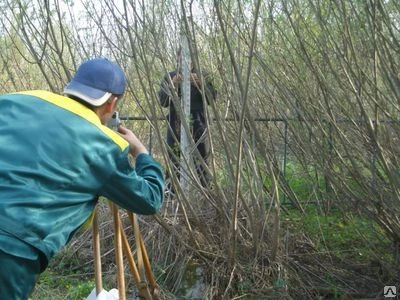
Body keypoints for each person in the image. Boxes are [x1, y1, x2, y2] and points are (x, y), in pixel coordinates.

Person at [0, 58, 165, 299]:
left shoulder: (16, 101)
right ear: (112, 103)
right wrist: (141, 154)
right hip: (12, 250)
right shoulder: (104, 146)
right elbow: (150, 199)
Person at [158, 50, 216, 191]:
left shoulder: (203, 75)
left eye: (187, 58)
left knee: (201, 158)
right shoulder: (170, 76)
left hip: (198, 120)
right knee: (174, 158)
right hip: (175, 120)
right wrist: (173, 85)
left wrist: (201, 84)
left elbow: (212, 99)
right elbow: (163, 101)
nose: (184, 61)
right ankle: (170, 194)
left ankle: (207, 193)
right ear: (177, 59)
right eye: (181, 58)